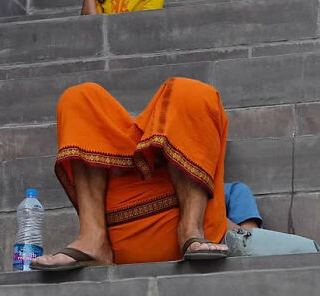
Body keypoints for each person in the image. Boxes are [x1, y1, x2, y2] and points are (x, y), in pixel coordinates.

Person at [31, 78, 229, 270]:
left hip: (193, 234)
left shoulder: (227, 188)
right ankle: (92, 240)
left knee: (191, 91)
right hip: (114, 227)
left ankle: (190, 230)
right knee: (77, 97)